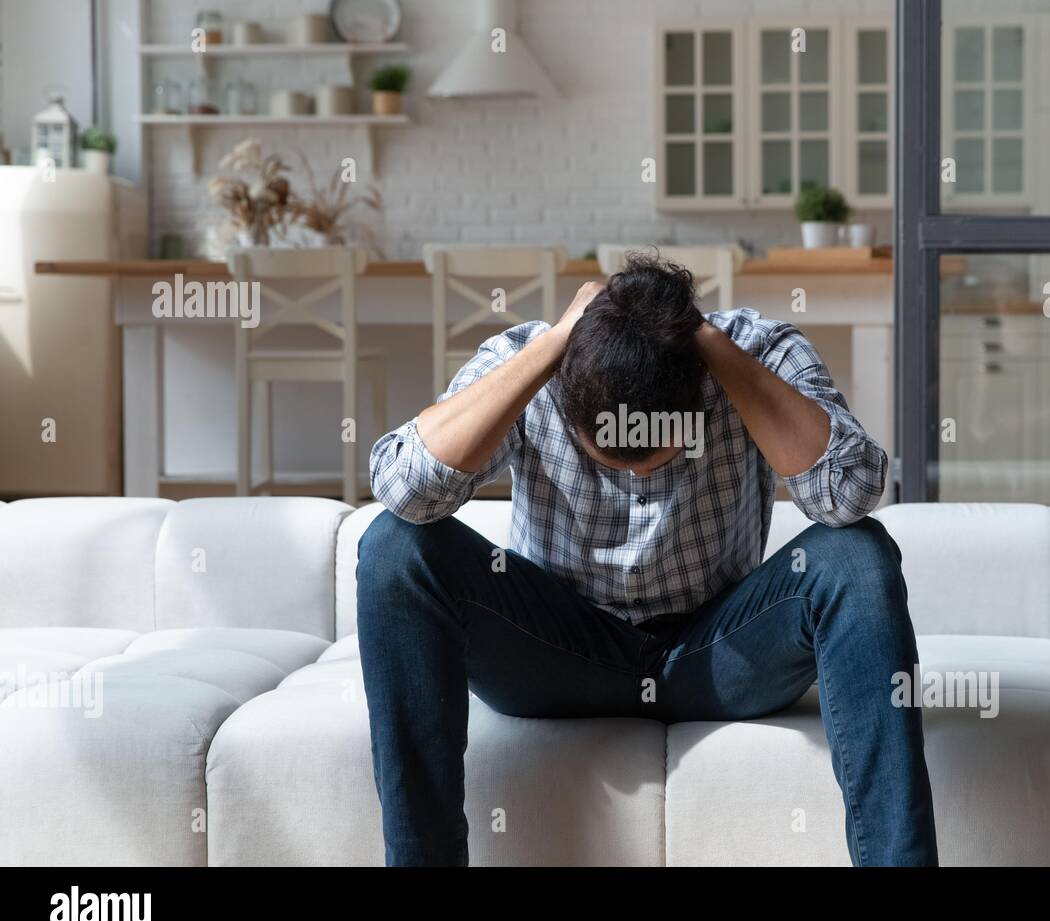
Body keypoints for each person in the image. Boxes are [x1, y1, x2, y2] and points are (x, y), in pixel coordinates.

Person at [357, 253, 938, 866]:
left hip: (718, 652)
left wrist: (715, 346)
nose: (635, 474)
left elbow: (851, 493)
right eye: (612, 459)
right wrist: (553, 344)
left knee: (857, 555)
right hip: (560, 654)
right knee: (396, 548)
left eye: (654, 456)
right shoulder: (532, 363)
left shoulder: (752, 350)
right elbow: (400, 489)